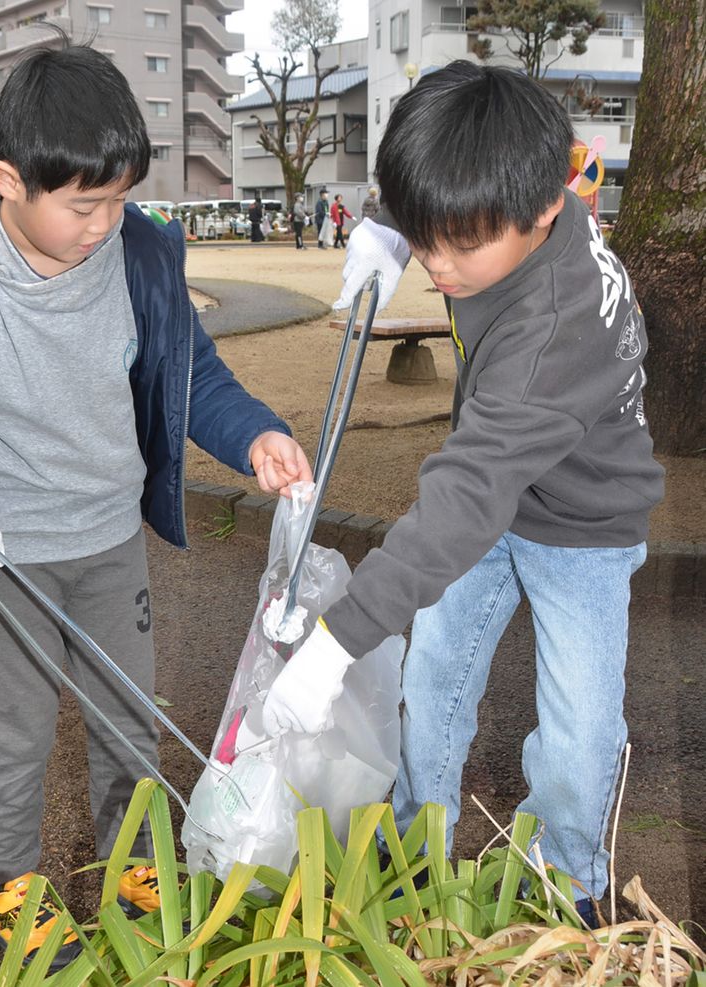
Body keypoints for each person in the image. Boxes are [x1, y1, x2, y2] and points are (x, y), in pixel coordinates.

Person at [0, 40, 312, 972]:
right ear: (10, 181)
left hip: (107, 541)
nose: (105, 223)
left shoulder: (139, 253)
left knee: (129, 720)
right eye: (83, 205)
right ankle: (3, 890)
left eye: (119, 198)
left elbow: (191, 375)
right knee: (13, 739)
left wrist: (252, 429)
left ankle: (135, 871)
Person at [262, 61, 664, 927]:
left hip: (585, 525)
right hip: (495, 488)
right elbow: (444, 165)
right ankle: (413, 855)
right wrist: (383, 224)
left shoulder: (554, 324)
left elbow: (464, 498)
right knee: (435, 678)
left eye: (460, 243)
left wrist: (340, 641)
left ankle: (569, 882)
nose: (438, 265)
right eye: (423, 235)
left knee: (579, 733)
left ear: (547, 208)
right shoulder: (512, 188)